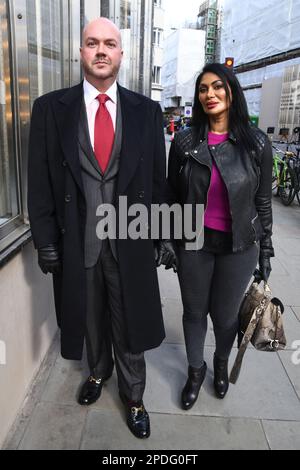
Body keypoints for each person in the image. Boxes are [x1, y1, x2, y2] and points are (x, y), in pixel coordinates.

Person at [27, 17, 176, 439]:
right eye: (92, 43)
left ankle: (134, 396)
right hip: (79, 241)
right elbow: (38, 180)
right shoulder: (50, 109)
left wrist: (163, 232)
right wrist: (45, 240)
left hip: (131, 240)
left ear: (121, 54)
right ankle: (97, 373)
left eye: (109, 43)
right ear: (81, 51)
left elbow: (158, 181)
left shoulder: (146, 112)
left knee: (129, 320)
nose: (101, 51)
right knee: (89, 316)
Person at [168, 63, 274, 410]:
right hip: (193, 242)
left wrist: (266, 249)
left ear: (231, 92)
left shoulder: (255, 143)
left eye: (217, 87)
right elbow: (172, 195)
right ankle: (195, 372)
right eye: (203, 89)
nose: (209, 94)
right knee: (194, 311)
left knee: (225, 316)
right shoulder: (184, 141)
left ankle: (220, 365)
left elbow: (261, 200)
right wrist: (168, 240)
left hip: (238, 246)